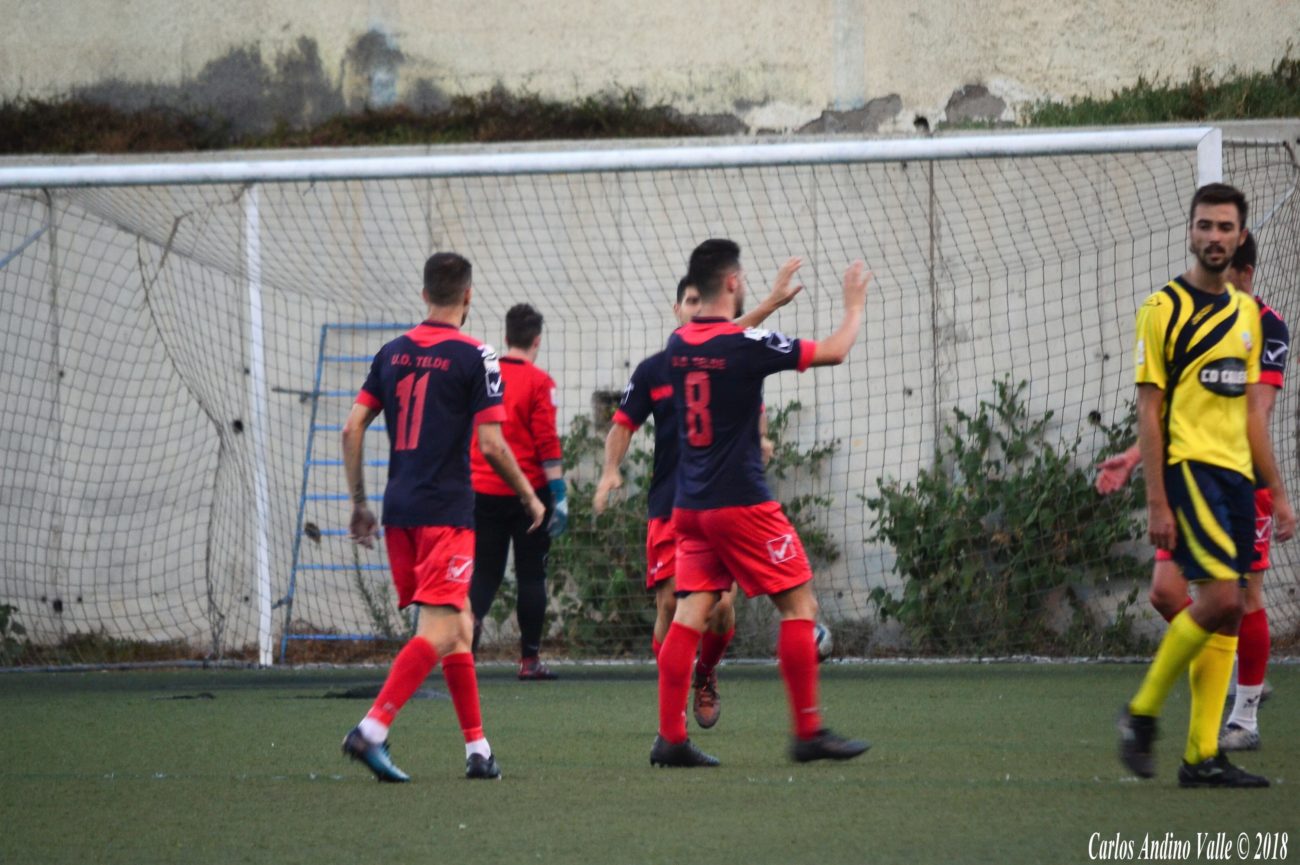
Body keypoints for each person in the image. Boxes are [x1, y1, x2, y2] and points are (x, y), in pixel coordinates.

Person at [649, 238, 871, 767]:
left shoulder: (678, 344)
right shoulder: (744, 346)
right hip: (741, 504)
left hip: (690, 507)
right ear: (731, 282)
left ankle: (670, 739)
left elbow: (723, 339)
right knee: (800, 607)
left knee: (688, 615)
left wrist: (769, 302)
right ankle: (808, 732)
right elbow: (835, 350)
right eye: (743, 278)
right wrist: (854, 307)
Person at [340, 253, 546, 782]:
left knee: (460, 627)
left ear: (425, 294)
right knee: (443, 627)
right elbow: (492, 445)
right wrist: (529, 495)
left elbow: (352, 428)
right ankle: (371, 729)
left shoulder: (391, 353)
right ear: (469, 296)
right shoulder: (477, 356)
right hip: (446, 515)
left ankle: (478, 749)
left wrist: (359, 502)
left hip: (399, 513)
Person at [1116, 184, 1294, 788]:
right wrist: (1156, 500)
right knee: (1220, 602)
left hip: (1238, 480)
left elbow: (1252, 417)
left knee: (1229, 612)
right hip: (1191, 471)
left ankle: (1201, 757)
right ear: (1190, 232)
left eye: (1224, 227)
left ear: (1240, 237)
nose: (1214, 236)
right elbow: (1150, 410)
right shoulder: (1161, 308)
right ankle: (1141, 713)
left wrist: (1279, 492)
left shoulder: (1248, 316)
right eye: (1204, 226)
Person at [594, 262, 802, 728]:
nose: (695, 309)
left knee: (722, 611)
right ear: (677, 309)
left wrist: (761, 437)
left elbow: (753, 402)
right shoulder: (655, 369)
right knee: (671, 606)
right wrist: (609, 471)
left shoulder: (727, 362)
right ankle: (672, 713)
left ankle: (704, 674)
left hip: (722, 501)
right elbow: (622, 426)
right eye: (688, 302)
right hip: (670, 505)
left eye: (700, 302)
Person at [469, 303, 568, 680]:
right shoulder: (540, 382)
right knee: (531, 576)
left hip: (483, 489)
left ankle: (464, 655)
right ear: (536, 341)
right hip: (530, 495)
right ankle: (529, 661)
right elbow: (547, 443)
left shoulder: (485, 376)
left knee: (484, 573)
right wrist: (559, 494)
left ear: (506, 336)